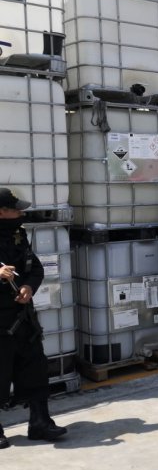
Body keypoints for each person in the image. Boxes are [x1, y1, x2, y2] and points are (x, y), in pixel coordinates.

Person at [0, 188, 67, 447]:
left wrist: (28, 287)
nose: (21, 212)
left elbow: (35, 268)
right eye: (15, 208)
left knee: (36, 370)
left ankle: (40, 422)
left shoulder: (18, 234)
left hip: (23, 319)